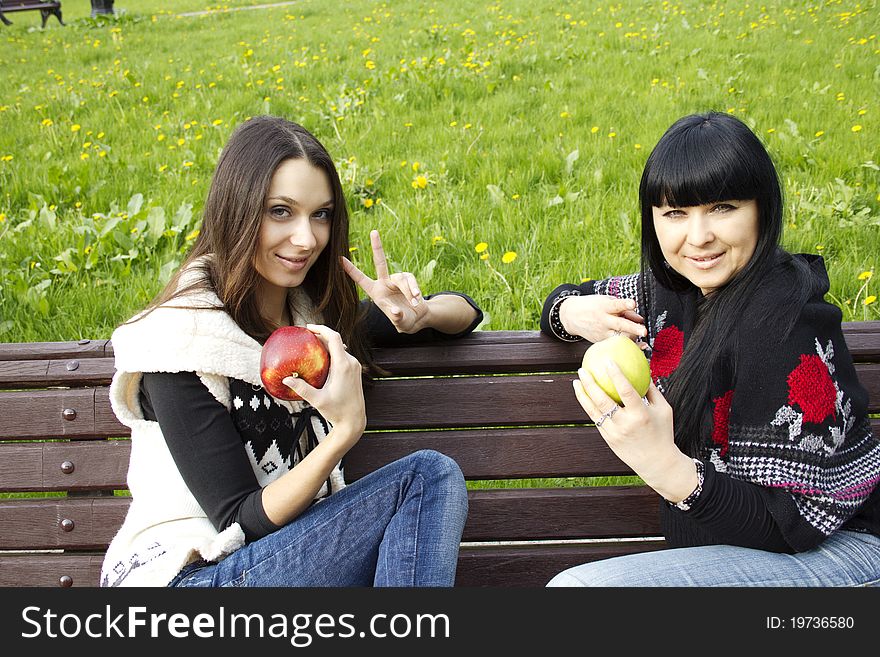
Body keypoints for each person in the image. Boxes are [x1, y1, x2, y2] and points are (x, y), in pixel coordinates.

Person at [100, 116, 482, 587]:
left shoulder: (308, 329)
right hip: (189, 577)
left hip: (276, 564)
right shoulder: (180, 341)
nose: (306, 239)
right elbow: (240, 522)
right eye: (281, 211)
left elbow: (467, 312)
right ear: (236, 210)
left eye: (320, 214)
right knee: (426, 480)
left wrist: (421, 314)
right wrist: (345, 431)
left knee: (429, 480)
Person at [541, 111, 880, 586]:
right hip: (739, 557)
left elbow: (789, 527)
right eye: (675, 213)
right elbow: (560, 299)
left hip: (841, 556)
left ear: (762, 208)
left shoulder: (787, 322)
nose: (698, 238)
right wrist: (572, 312)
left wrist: (662, 464)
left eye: (722, 207)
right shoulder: (673, 292)